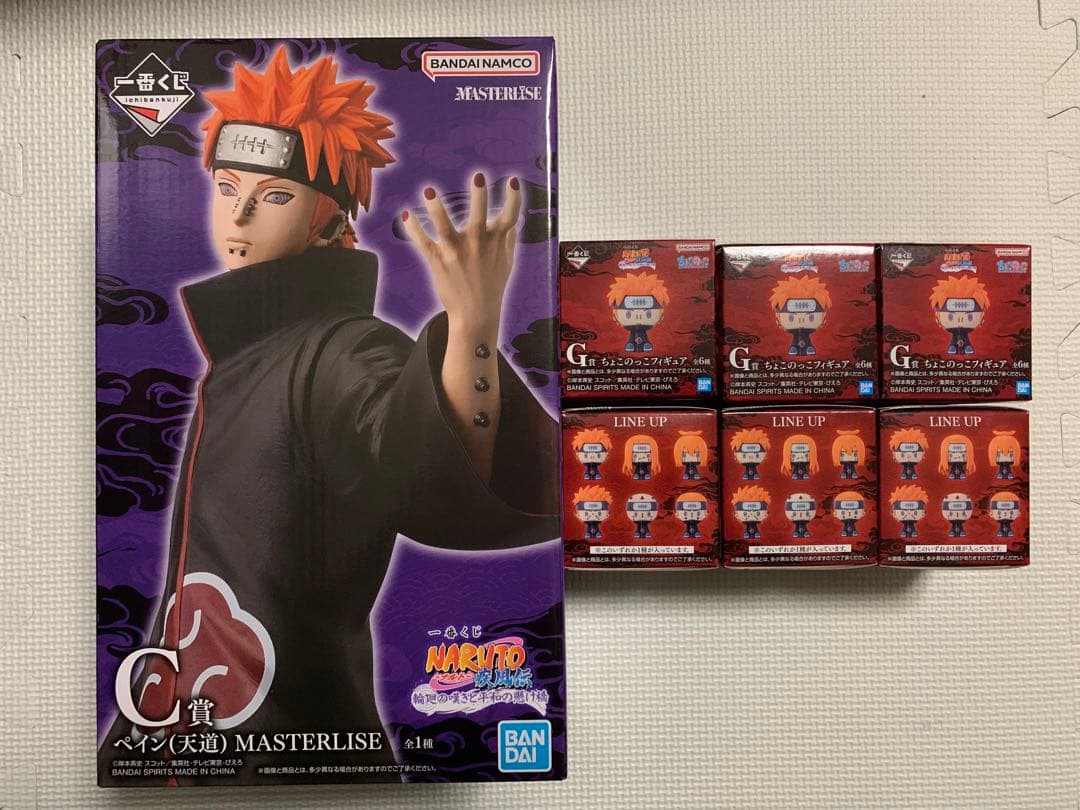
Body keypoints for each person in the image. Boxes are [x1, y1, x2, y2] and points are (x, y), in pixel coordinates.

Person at [100, 46, 558, 784]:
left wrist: (472, 329)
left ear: (327, 219)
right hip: (184, 735)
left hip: (292, 743)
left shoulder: (343, 347)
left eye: (275, 195)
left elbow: (420, 469)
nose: (239, 214)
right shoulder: (244, 352)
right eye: (227, 187)